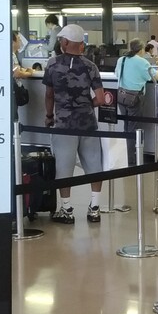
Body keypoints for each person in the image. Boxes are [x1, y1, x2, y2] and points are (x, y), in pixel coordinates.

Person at [42, 24, 106, 224]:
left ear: (65, 42)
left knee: (64, 167)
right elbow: (101, 99)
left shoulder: (52, 64)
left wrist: (49, 116)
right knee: (94, 165)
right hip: (88, 124)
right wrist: (85, 105)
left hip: (63, 125)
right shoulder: (91, 66)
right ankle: (94, 208)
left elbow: (49, 95)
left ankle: (67, 209)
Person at [115, 39, 155, 164]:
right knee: (133, 128)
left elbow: (117, 74)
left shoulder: (121, 59)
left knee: (126, 127)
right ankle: (132, 160)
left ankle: (126, 156)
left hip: (121, 96)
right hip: (135, 98)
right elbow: (155, 76)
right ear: (141, 49)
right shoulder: (142, 62)